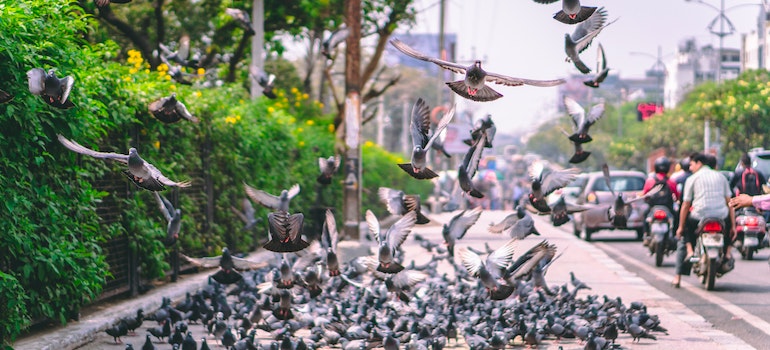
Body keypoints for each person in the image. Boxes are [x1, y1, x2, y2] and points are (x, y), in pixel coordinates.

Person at [671, 152, 735, 288]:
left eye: (692, 165)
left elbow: (686, 204)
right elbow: (730, 202)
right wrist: (733, 226)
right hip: (721, 216)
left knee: (685, 230)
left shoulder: (692, 178)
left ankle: (688, 254)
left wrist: (680, 227)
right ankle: (728, 254)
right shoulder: (721, 177)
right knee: (729, 228)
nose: (690, 168)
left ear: (699, 163)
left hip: (699, 216)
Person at [641, 156, 680, 246]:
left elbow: (645, 194)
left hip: (653, 208)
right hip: (668, 208)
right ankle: (675, 236)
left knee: (645, 215)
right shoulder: (671, 181)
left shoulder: (650, 181)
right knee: (676, 217)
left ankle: (646, 235)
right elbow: (677, 195)